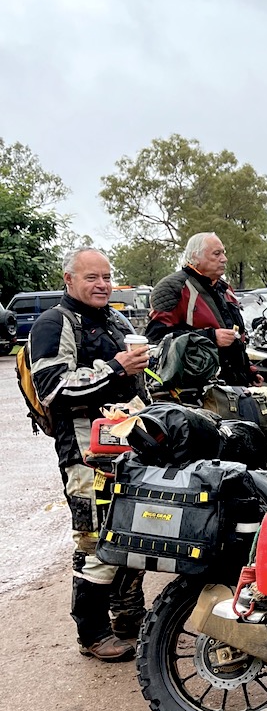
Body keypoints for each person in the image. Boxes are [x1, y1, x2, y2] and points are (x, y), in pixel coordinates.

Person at [28, 248, 148, 660]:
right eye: (92, 277)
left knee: (132, 528)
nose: (102, 284)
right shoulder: (53, 323)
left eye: (107, 276)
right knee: (95, 537)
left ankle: (130, 616)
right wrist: (114, 367)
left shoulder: (114, 319)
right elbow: (53, 388)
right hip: (84, 452)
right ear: (69, 280)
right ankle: (93, 633)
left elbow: (135, 382)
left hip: (128, 445)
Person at [146, 233, 250, 384]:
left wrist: (248, 371)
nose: (224, 259)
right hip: (198, 387)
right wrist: (211, 336)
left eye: (223, 252)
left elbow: (237, 337)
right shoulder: (172, 287)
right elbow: (156, 337)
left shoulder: (224, 288)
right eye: (217, 253)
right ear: (196, 257)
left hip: (235, 383)